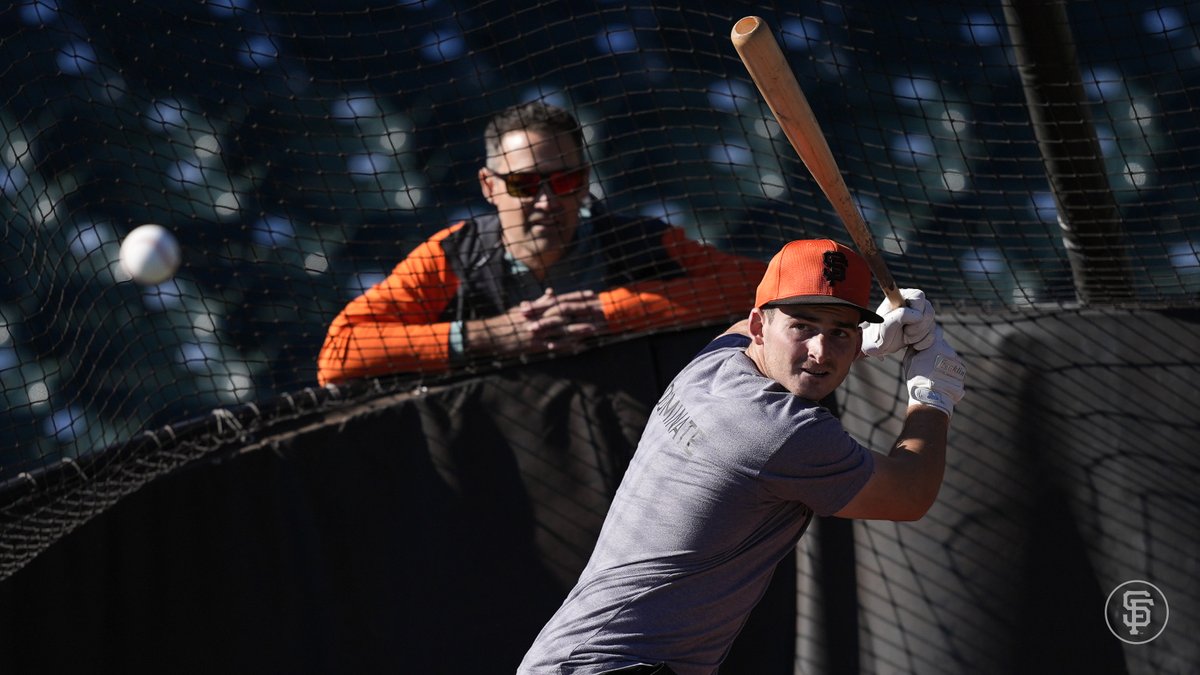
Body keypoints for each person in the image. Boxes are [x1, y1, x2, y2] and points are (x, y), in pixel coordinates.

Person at [518, 239, 967, 675]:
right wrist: (934, 393)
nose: (821, 351)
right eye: (803, 326)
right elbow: (909, 494)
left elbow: (743, 331)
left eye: (839, 333)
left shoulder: (713, 363)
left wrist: (865, 340)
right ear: (760, 327)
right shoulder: (781, 430)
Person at [316, 101, 767, 384]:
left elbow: (766, 288)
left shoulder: (639, 241)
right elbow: (339, 354)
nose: (547, 201)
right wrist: (490, 335)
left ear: (585, 181)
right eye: (524, 184)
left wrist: (610, 312)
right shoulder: (453, 256)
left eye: (565, 179)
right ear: (489, 187)